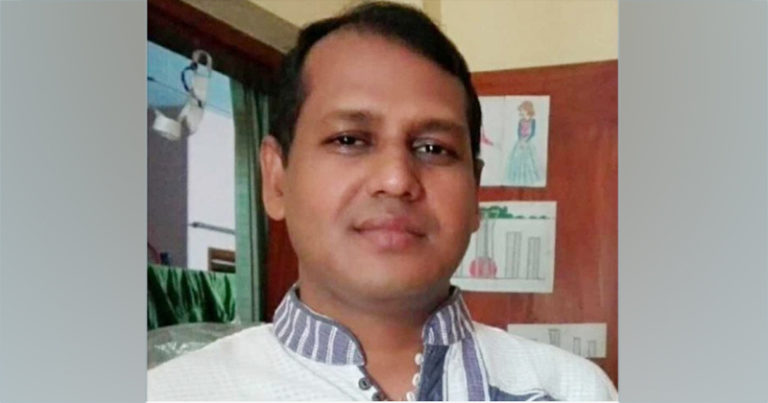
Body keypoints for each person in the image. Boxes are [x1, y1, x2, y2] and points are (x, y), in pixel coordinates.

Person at [147, 2, 618, 401]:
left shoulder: (569, 390)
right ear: (276, 179)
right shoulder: (175, 393)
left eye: (434, 148)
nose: (396, 180)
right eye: (349, 140)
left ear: (475, 191)